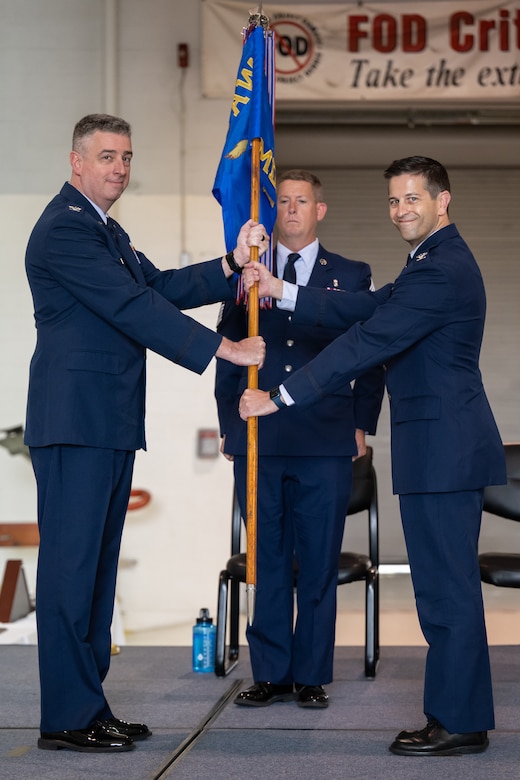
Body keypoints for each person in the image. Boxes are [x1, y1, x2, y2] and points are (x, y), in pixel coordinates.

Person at [239, 156, 506, 756]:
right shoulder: (429, 264)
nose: (401, 210)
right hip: (437, 449)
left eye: (413, 198)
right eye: (393, 200)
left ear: (443, 201)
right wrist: (283, 291)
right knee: (443, 591)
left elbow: (367, 341)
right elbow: (364, 309)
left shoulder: (442, 270)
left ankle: (459, 723)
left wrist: (281, 396)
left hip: (445, 451)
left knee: (447, 593)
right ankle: (459, 715)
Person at [24, 113, 267, 754]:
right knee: (71, 573)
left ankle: (88, 705)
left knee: (97, 574)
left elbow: (157, 285)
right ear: (76, 161)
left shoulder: (107, 230)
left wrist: (231, 263)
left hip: (105, 422)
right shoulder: (64, 230)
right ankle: (66, 720)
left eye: (127, 157)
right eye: (107, 157)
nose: (119, 169)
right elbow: (133, 308)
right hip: (75, 422)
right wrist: (224, 348)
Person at [215, 169, 385, 709]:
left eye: (301, 201)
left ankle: (310, 674)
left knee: (317, 560)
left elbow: (372, 351)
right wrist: (227, 424)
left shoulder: (352, 275)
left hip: (325, 437)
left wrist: (362, 420)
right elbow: (228, 349)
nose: (290, 209)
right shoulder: (247, 275)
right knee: (265, 560)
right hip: (259, 436)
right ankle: (270, 672)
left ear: (320, 210)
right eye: (282, 201)